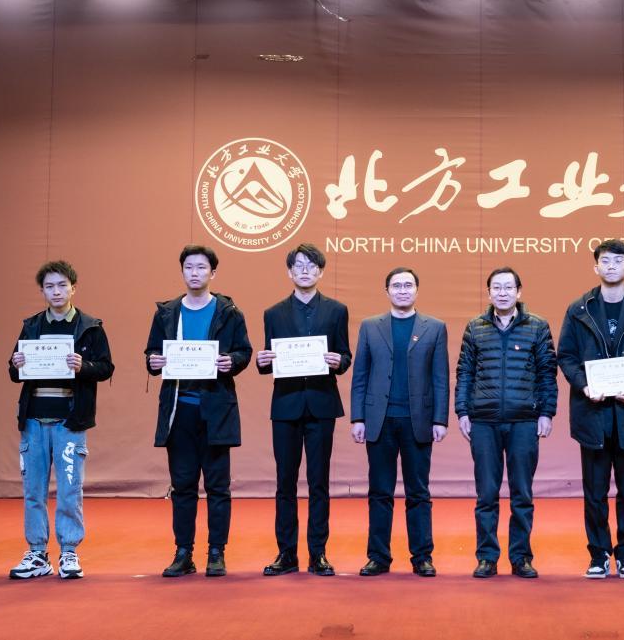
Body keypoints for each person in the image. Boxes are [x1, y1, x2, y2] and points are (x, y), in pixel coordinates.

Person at [557, 239, 624, 579]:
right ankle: (598, 554)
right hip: (592, 413)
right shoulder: (579, 309)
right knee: (594, 492)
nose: (611, 266)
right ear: (596, 267)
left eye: (618, 261)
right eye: (605, 261)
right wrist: (583, 384)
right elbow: (566, 356)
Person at [145, 245, 253, 578]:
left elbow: (244, 352)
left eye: (202, 267)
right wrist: (153, 361)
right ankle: (183, 553)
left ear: (213, 273)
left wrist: (232, 361)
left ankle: (216, 552)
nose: (195, 272)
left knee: (218, 487)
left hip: (215, 410)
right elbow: (152, 353)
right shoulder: (167, 313)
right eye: (189, 267)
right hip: (179, 411)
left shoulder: (229, 312)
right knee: (183, 486)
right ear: (182, 272)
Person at [6, 260, 115, 580]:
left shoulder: (90, 327)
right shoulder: (31, 326)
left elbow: (106, 368)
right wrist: (16, 363)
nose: (56, 291)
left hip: (70, 421)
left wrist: (84, 366)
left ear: (73, 288)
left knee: (70, 489)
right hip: (34, 420)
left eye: (62, 285)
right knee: (33, 490)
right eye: (49, 286)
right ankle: (37, 553)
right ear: (42, 291)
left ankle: (69, 550)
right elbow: (14, 371)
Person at [255, 243, 352, 577]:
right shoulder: (273, 313)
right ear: (289, 272)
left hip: (322, 404)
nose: (305, 270)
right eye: (299, 265)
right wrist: (262, 361)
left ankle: (318, 553)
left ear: (321, 271)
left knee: (318, 482)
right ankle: (286, 553)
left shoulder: (337, 310)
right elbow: (268, 360)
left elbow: (345, 356)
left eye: (311, 265)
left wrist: (340, 361)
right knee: (285, 482)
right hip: (286, 405)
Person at [455, 266, 558, 579]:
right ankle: (487, 557)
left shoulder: (537, 326)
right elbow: (464, 372)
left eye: (508, 287)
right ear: (489, 293)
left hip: (524, 421)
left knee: (522, 494)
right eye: (496, 288)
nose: (502, 293)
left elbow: (547, 373)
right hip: (484, 422)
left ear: (519, 292)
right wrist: (462, 411)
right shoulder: (475, 327)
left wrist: (546, 413)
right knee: (486, 494)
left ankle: (521, 557)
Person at [349, 267, 450, 577]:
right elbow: (360, 375)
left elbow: (441, 377)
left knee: (418, 492)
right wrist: (358, 417)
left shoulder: (435, 328)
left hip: (418, 421)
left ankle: (422, 557)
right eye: (396, 285)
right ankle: (378, 557)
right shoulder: (370, 326)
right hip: (379, 421)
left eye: (408, 285)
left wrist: (440, 419)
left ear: (417, 290)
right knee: (379, 491)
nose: (402, 290)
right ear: (387, 291)